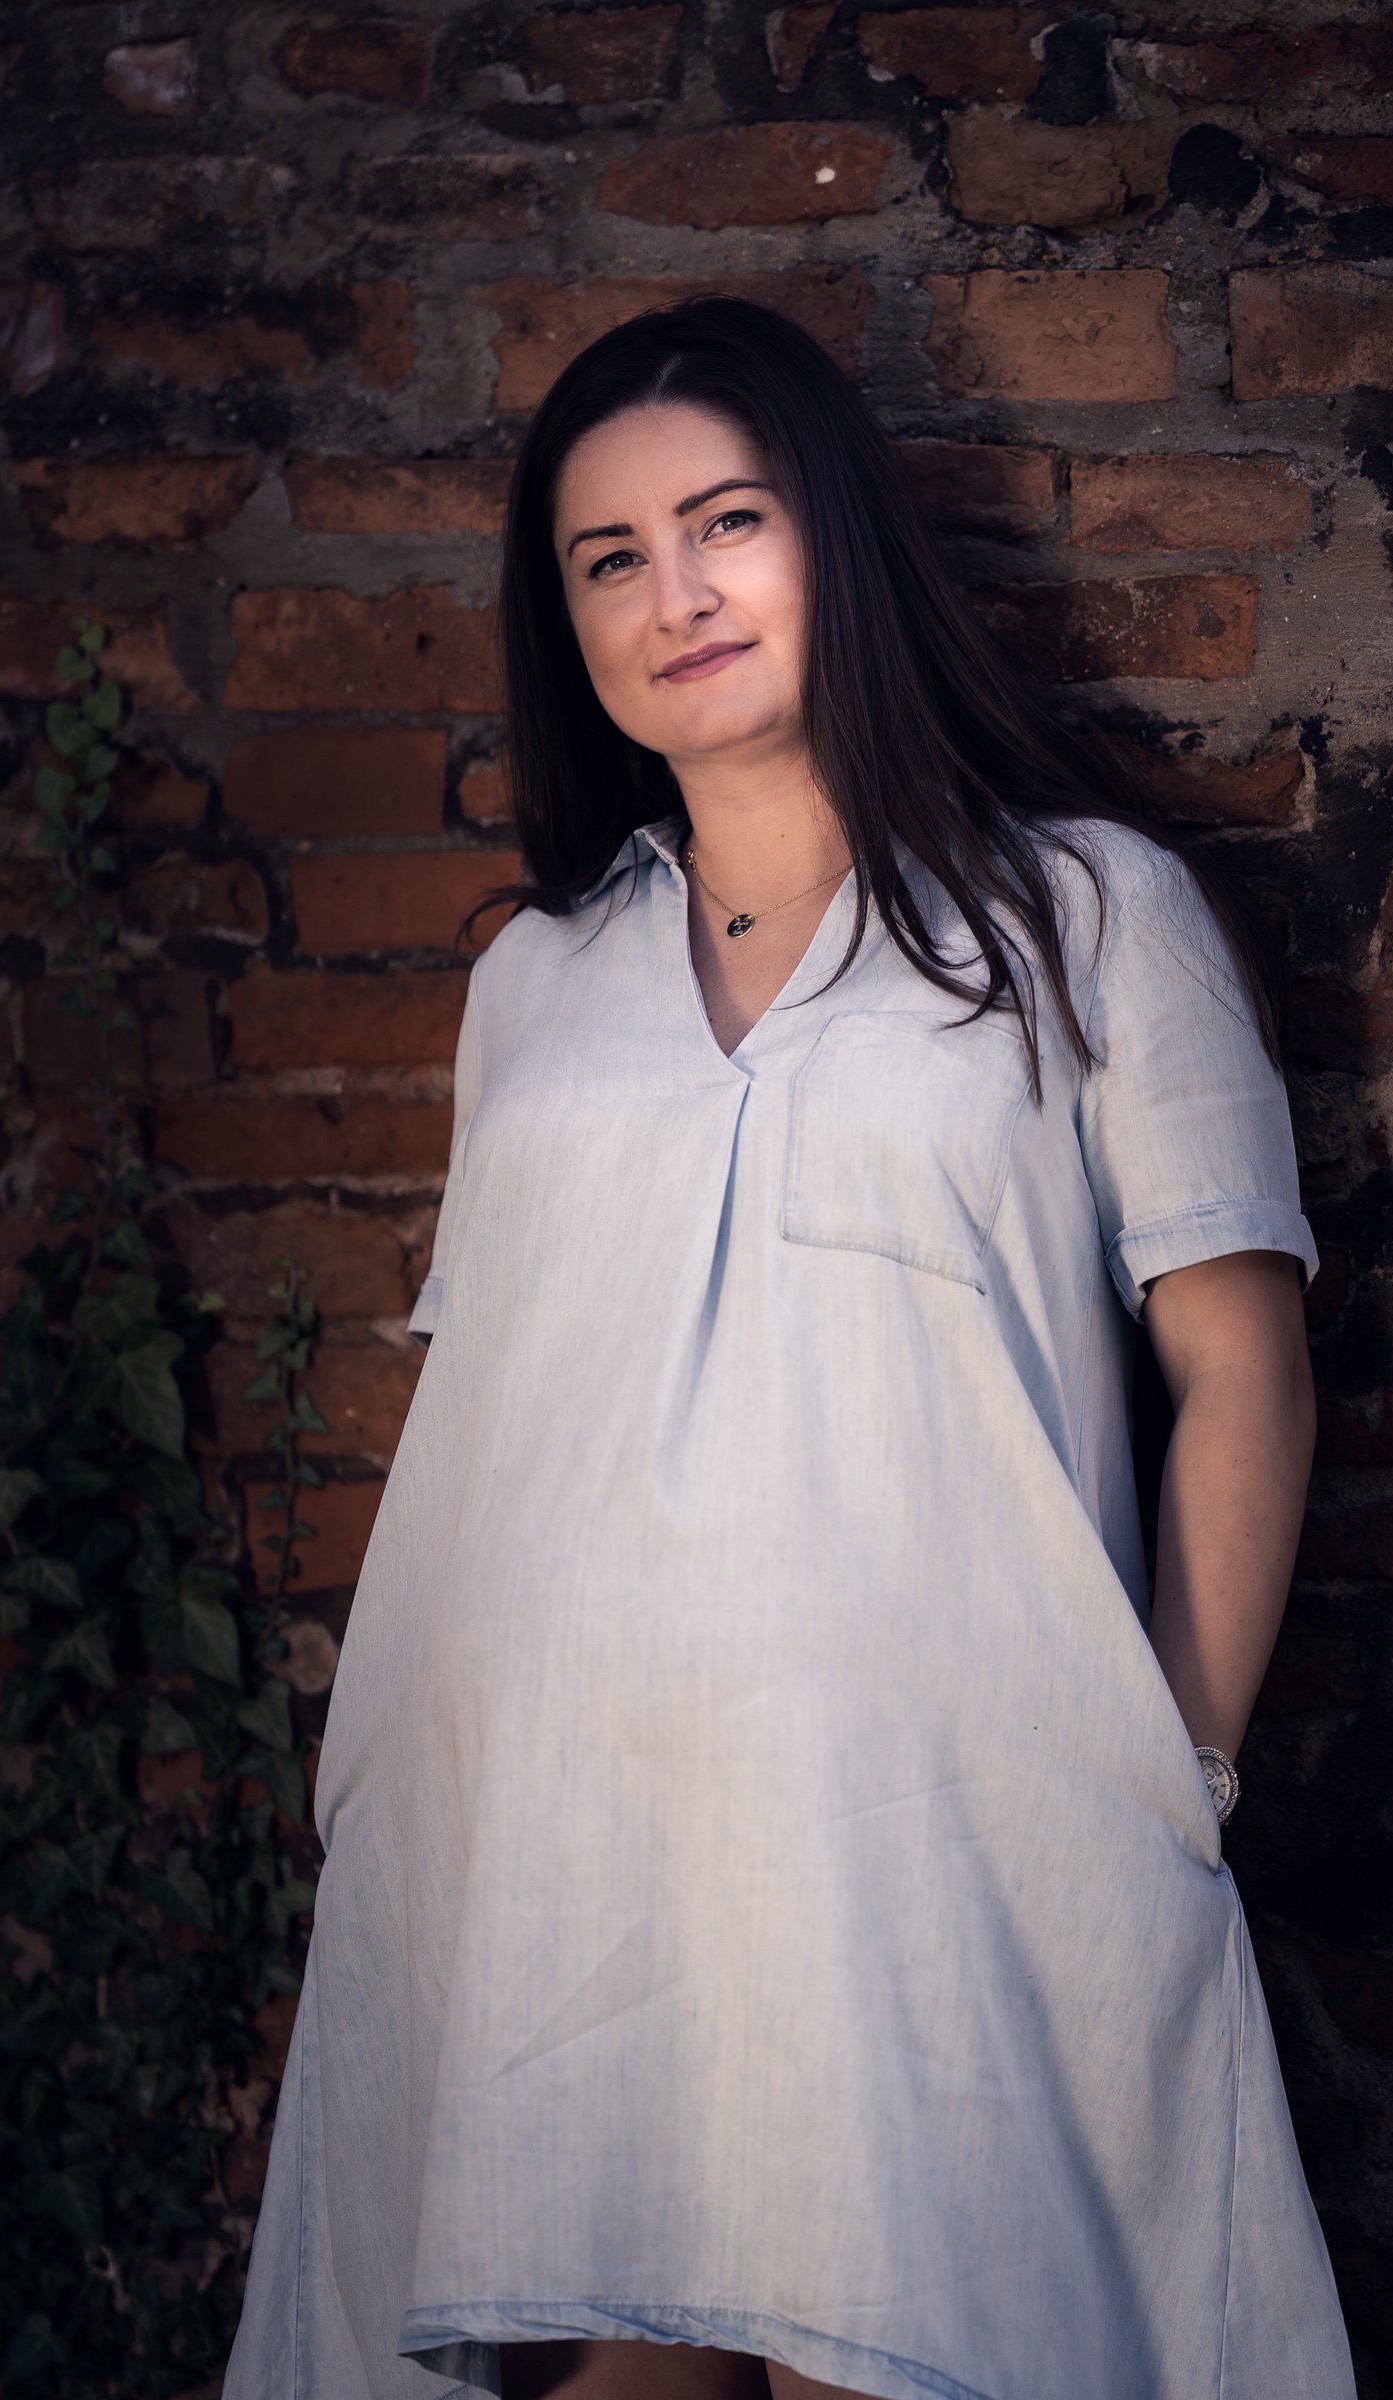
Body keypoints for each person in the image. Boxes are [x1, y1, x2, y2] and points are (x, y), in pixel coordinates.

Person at [221, 296, 1357, 2400]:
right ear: (566, 625)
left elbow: (1243, 1374)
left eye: (726, 523)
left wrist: (1169, 1780)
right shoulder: (535, 981)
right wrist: (388, 1794)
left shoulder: (1085, 918)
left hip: (940, 1859)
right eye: (609, 557)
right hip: (557, 1855)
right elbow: (499, 1418)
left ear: (833, 536)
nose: (674, 594)